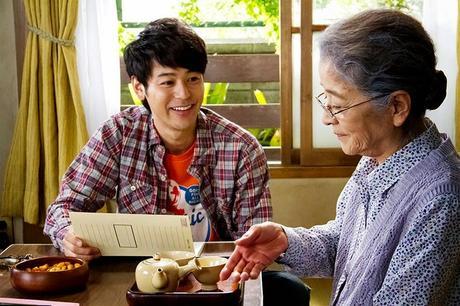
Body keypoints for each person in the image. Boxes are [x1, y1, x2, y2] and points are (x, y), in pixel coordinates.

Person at [44, 18, 309, 305]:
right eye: (168, 81)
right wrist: (68, 235)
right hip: (144, 281)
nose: (184, 94)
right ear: (139, 88)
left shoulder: (241, 148)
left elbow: (254, 238)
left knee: (288, 288)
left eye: (193, 79)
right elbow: (65, 207)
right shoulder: (119, 134)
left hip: (216, 283)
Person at [220, 9, 460, 306]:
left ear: (397, 106)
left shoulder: (441, 198)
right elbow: (344, 244)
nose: (325, 118)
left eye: (337, 105)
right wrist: (286, 241)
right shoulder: (377, 157)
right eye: (326, 100)